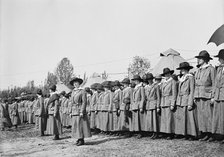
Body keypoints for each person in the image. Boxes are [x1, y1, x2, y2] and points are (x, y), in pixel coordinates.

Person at [194, 50, 215, 141]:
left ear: (205, 59)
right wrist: (195, 96)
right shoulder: (198, 70)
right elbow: (196, 83)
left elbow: (214, 83)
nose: (199, 60)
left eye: (200, 58)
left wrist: (213, 96)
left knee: (208, 115)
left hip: (207, 94)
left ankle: (210, 134)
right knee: (201, 116)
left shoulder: (211, 69)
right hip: (199, 95)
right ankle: (204, 133)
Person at [175, 62, 198, 140]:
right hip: (181, 100)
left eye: (183, 69)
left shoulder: (190, 77)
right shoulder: (182, 78)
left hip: (187, 98)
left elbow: (192, 90)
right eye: (181, 69)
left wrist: (190, 103)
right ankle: (185, 133)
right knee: (183, 117)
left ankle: (192, 134)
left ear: (187, 69)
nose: (182, 71)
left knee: (189, 118)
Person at [70, 77, 91, 146]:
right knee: (75, 125)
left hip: (79, 109)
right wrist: (70, 111)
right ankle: (78, 138)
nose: (75, 84)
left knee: (80, 125)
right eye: (74, 83)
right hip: (74, 110)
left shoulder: (82, 91)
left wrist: (82, 111)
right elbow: (71, 102)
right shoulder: (73, 91)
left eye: (77, 83)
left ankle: (81, 139)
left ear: (79, 83)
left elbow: (84, 102)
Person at [160, 68, 178, 139]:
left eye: (167, 74)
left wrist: (172, 103)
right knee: (164, 118)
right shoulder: (164, 82)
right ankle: (165, 132)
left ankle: (170, 133)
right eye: (165, 74)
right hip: (164, 101)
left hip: (169, 100)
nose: (166, 75)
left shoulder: (172, 81)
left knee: (169, 118)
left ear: (170, 74)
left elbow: (174, 93)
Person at [211, 49, 224, 143]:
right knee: (219, 116)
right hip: (218, 95)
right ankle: (221, 135)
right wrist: (213, 95)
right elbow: (215, 83)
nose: (219, 60)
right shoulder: (219, 68)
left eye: (220, 58)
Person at [144, 73, 161, 139]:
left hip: (154, 103)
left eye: (150, 79)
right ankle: (152, 132)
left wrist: (158, 106)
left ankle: (156, 133)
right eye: (148, 79)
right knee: (150, 119)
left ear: (152, 79)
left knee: (154, 119)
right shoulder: (146, 87)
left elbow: (158, 97)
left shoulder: (156, 86)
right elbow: (145, 97)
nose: (149, 81)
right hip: (148, 104)